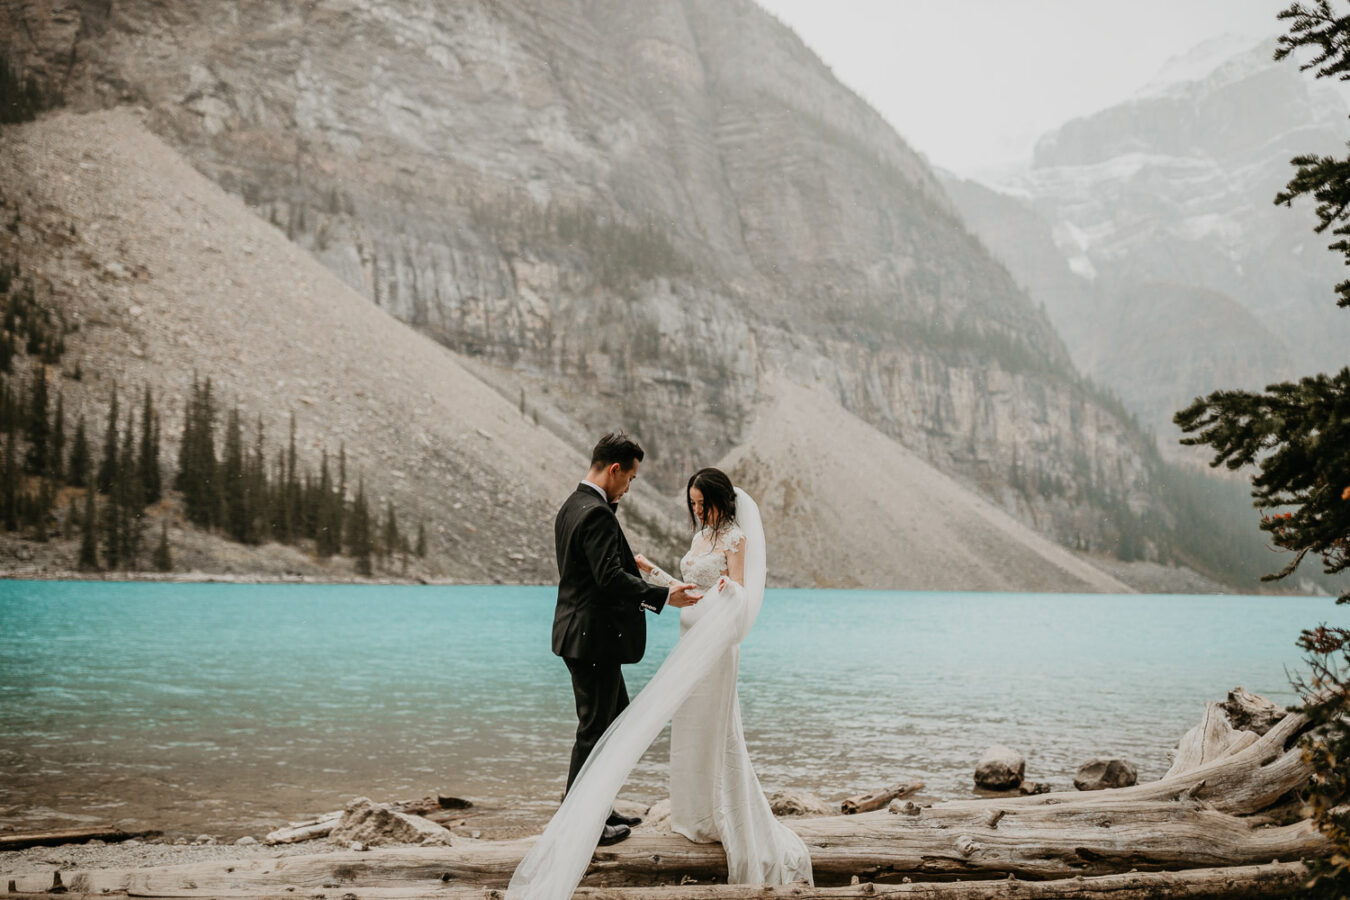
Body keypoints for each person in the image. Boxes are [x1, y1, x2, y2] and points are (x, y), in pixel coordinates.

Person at [508, 466, 812, 899]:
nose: (697, 511)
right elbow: (687, 589)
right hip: (690, 641)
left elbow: (741, 593)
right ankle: (691, 813)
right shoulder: (700, 538)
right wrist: (653, 573)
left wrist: (730, 591)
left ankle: (710, 813)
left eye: (703, 504)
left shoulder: (735, 538)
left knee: (715, 729)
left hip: (716, 647)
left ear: (722, 502)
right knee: (687, 728)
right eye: (692, 505)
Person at [551, 432, 703, 847]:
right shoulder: (596, 513)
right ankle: (582, 821)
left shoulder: (574, 505)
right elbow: (607, 578)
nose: (630, 488)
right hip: (591, 640)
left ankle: (596, 804)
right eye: (631, 479)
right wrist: (662, 595)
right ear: (614, 469)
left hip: (579, 635)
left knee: (615, 718)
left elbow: (591, 568)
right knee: (595, 727)